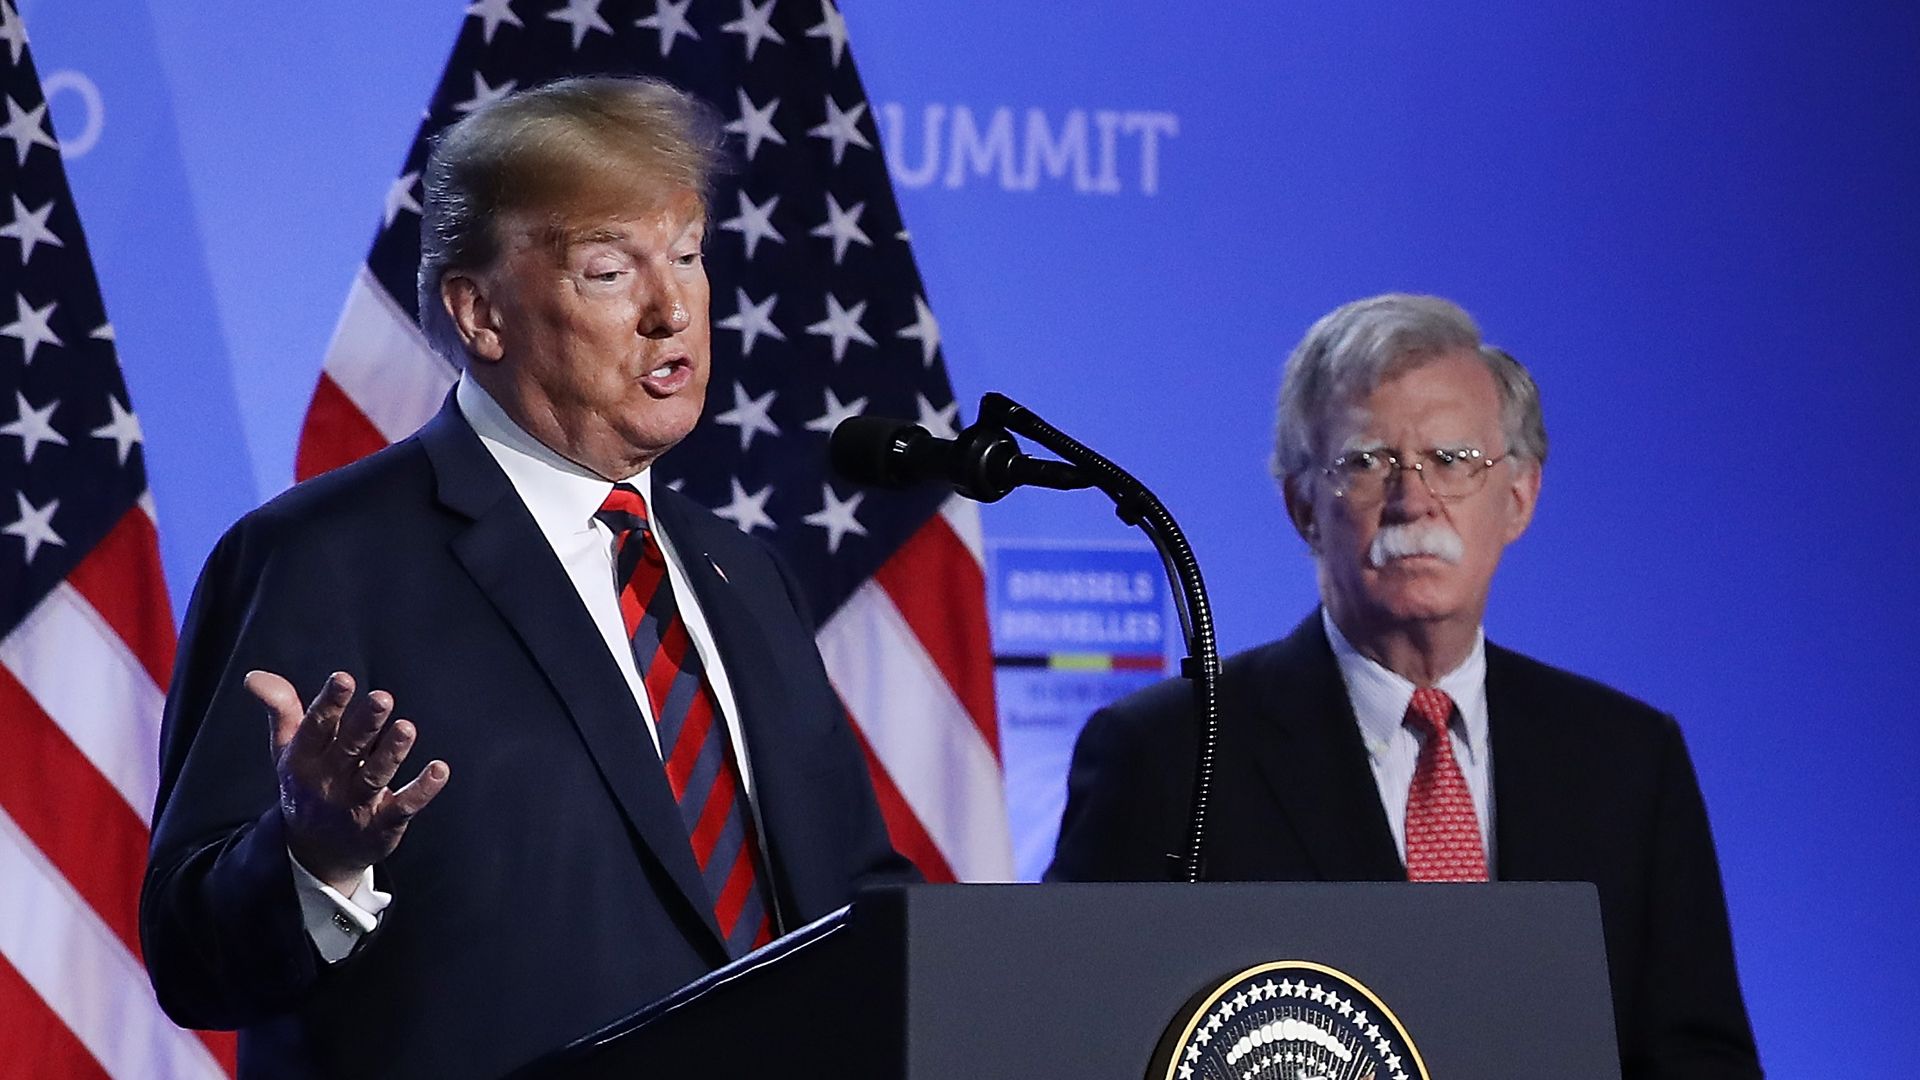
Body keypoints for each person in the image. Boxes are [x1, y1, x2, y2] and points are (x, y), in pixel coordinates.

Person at [141, 77, 914, 1079]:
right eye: (608, 270)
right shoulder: (318, 557)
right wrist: (316, 857)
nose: (669, 308)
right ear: (480, 313)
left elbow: (855, 898)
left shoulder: (742, 574)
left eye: (686, 256)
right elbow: (192, 958)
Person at [1048, 294, 1762, 1078]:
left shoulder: (1629, 760)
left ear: (1519, 497)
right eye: (1365, 462)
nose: (1412, 498)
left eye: (1452, 460)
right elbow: (1079, 1042)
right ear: (1302, 507)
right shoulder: (1172, 753)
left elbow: (1702, 1058)